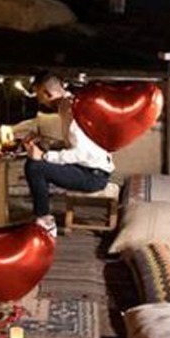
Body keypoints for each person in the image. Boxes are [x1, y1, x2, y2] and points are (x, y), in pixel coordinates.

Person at [23, 71, 115, 233]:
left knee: (35, 167)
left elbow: (80, 153)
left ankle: (45, 223)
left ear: (47, 93)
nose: (40, 101)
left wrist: (44, 156)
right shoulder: (69, 105)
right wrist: (45, 142)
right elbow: (73, 145)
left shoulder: (73, 111)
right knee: (35, 164)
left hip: (93, 176)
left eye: (39, 96)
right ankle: (43, 216)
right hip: (87, 169)